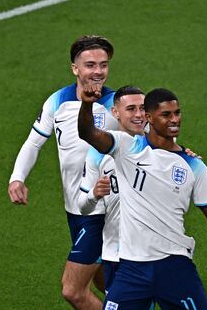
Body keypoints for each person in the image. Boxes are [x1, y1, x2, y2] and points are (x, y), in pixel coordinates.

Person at [78, 85, 207, 309]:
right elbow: (88, 133)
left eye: (177, 113)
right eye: (166, 115)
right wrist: (86, 103)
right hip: (131, 268)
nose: (175, 120)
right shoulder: (127, 147)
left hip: (174, 265)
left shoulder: (195, 166)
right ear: (149, 118)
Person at [8, 35, 117, 309]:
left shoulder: (118, 104)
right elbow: (34, 142)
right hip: (75, 208)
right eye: (90, 65)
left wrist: (182, 152)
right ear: (75, 68)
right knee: (106, 282)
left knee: (73, 290)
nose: (98, 71)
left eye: (103, 65)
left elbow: (152, 139)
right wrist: (17, 178)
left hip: (104, 211)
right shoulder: (57, 101)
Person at [78, 85, 146, 294]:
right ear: (115, 112)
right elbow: (83, 207)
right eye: (131, 109)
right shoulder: (97, 154)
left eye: (143, 108)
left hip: (155, 250)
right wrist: (94, 194)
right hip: (116, 253)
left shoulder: (160, 147)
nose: (139, 115)